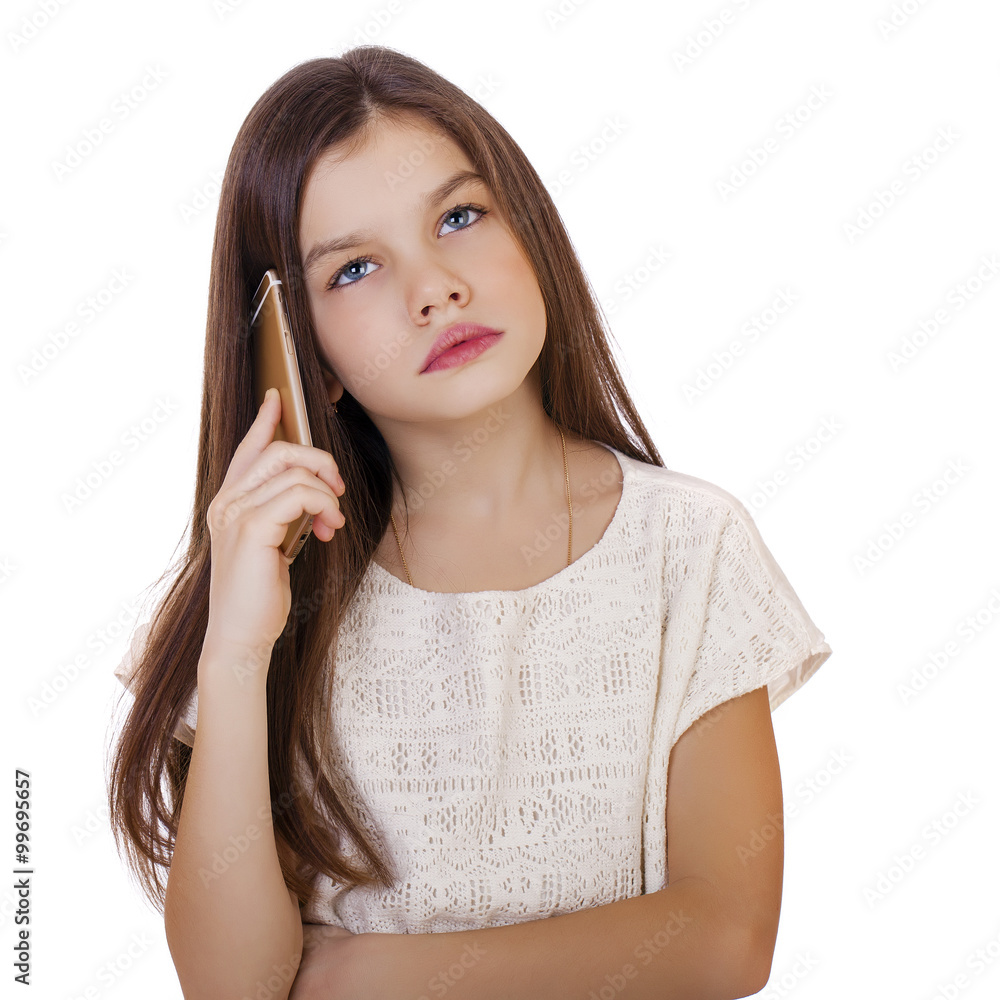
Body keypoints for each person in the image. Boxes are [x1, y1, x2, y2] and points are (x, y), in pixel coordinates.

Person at [107, 44, 832, 1000]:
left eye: (458, 217)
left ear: (531, 231)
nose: (435, 288)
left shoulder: (689, 550)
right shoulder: (270, 592)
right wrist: (238, 650)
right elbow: (233, 988)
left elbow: (724, 940)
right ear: (300, 351)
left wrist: (371, 976)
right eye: (355, 268)